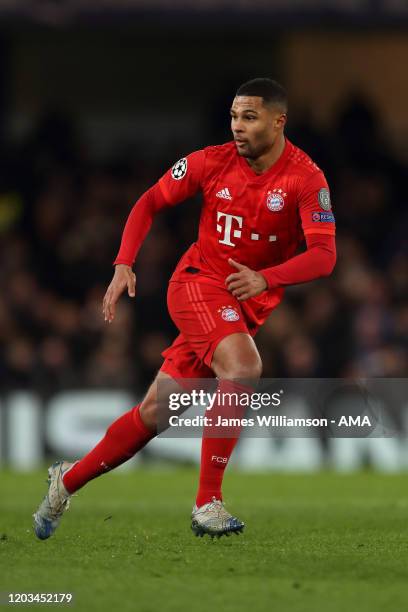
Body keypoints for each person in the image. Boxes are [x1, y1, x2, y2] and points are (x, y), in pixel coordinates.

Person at [33, 78, 336, 540]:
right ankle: (206, 503)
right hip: (199, 284)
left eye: (249, 117)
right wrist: (123, 263)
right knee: (243, 365)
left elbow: (324, 255)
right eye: (234, 116)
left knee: (158, 412)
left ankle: (66, 481)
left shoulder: (305, 178)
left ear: (279, 122)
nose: (237, 126)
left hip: (246, 299)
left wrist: (267, 278)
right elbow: (149, 201)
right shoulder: (210, 161)